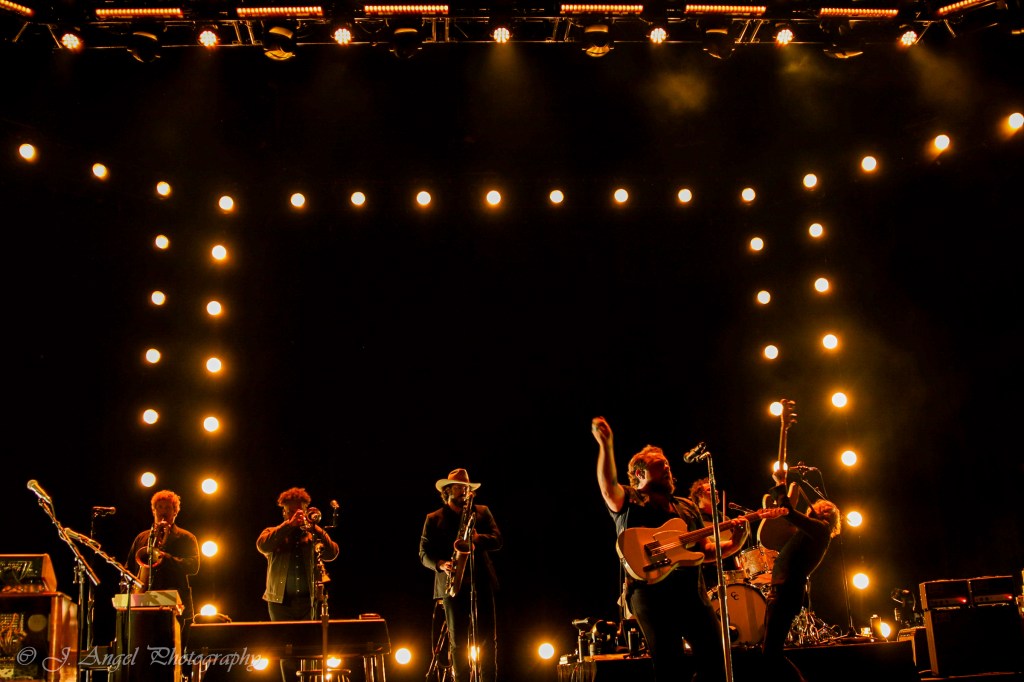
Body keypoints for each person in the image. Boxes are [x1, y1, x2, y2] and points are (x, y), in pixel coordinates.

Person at [592, 416, 742, 682]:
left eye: (668, 465)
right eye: (660, 465)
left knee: (717, 659)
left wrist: (737, 541)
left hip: (692, 596)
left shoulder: (686, 506)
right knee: (670, 667)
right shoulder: (630, 499)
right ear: (640, 473)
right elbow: (607, 487)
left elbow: (705, 550)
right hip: (651, 597)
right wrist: (606, 444)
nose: (668, 468)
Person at [419, 468, 502, 682]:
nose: (463, 491)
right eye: (458, 487)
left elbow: (497, 539)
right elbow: (423, 553)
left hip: (480, 581)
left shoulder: (482, 512)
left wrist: (477, 538)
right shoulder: (433, 518)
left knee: (487, 640)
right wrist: (440, 564)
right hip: (451, 583)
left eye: (466, 488)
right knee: (457, 642)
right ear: (447, 491)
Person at [759, 469, 841, 681]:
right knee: (770, 651)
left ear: (829, 517)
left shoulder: (821, 530)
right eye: (822, 505)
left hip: (786, 592)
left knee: (771, 653)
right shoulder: (805, 533)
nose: (822, 507)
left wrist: (781, 483)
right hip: (781, 590)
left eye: (827, 509)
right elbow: (784, 522)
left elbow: (788, 510)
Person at [257, 487, 340, 682]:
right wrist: (288, 525)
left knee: (309, 649)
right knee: (286, 651)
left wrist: (315, 527)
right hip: (280, 602)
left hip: (307, 601)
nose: (296, 514)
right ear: (284, 512)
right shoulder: (273, 532)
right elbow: (262, 545)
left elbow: (332, 553)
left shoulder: (312, 536)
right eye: (291, 511)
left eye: (300, 510)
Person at [128, 489, 200, 639]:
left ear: (175, 512)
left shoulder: (186, 537)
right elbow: (129, 568)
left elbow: (193, 566)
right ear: (153, 510)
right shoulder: (142, 538)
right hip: (144, 600)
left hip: (175, 600)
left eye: (168, 508)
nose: (163, 511)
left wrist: (165, 558)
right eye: (159, 507)